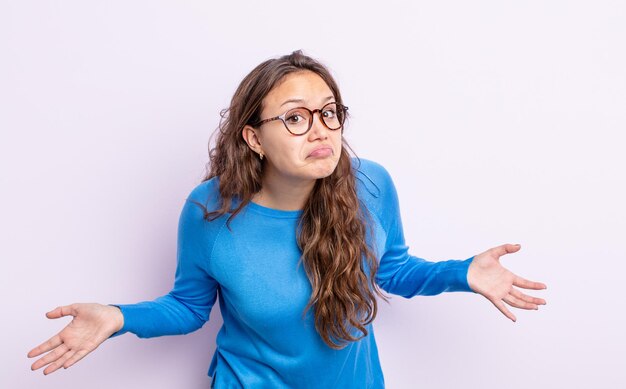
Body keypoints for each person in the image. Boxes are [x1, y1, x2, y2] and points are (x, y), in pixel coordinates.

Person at [27, 50, 547, 388]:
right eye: (295, 118)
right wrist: (119, 317)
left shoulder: (371, 184)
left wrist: (461, 273)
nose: (320, 130)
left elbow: (391, 270)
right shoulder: (209, 211)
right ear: (254, 138)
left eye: (329, 112)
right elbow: (188, 307)